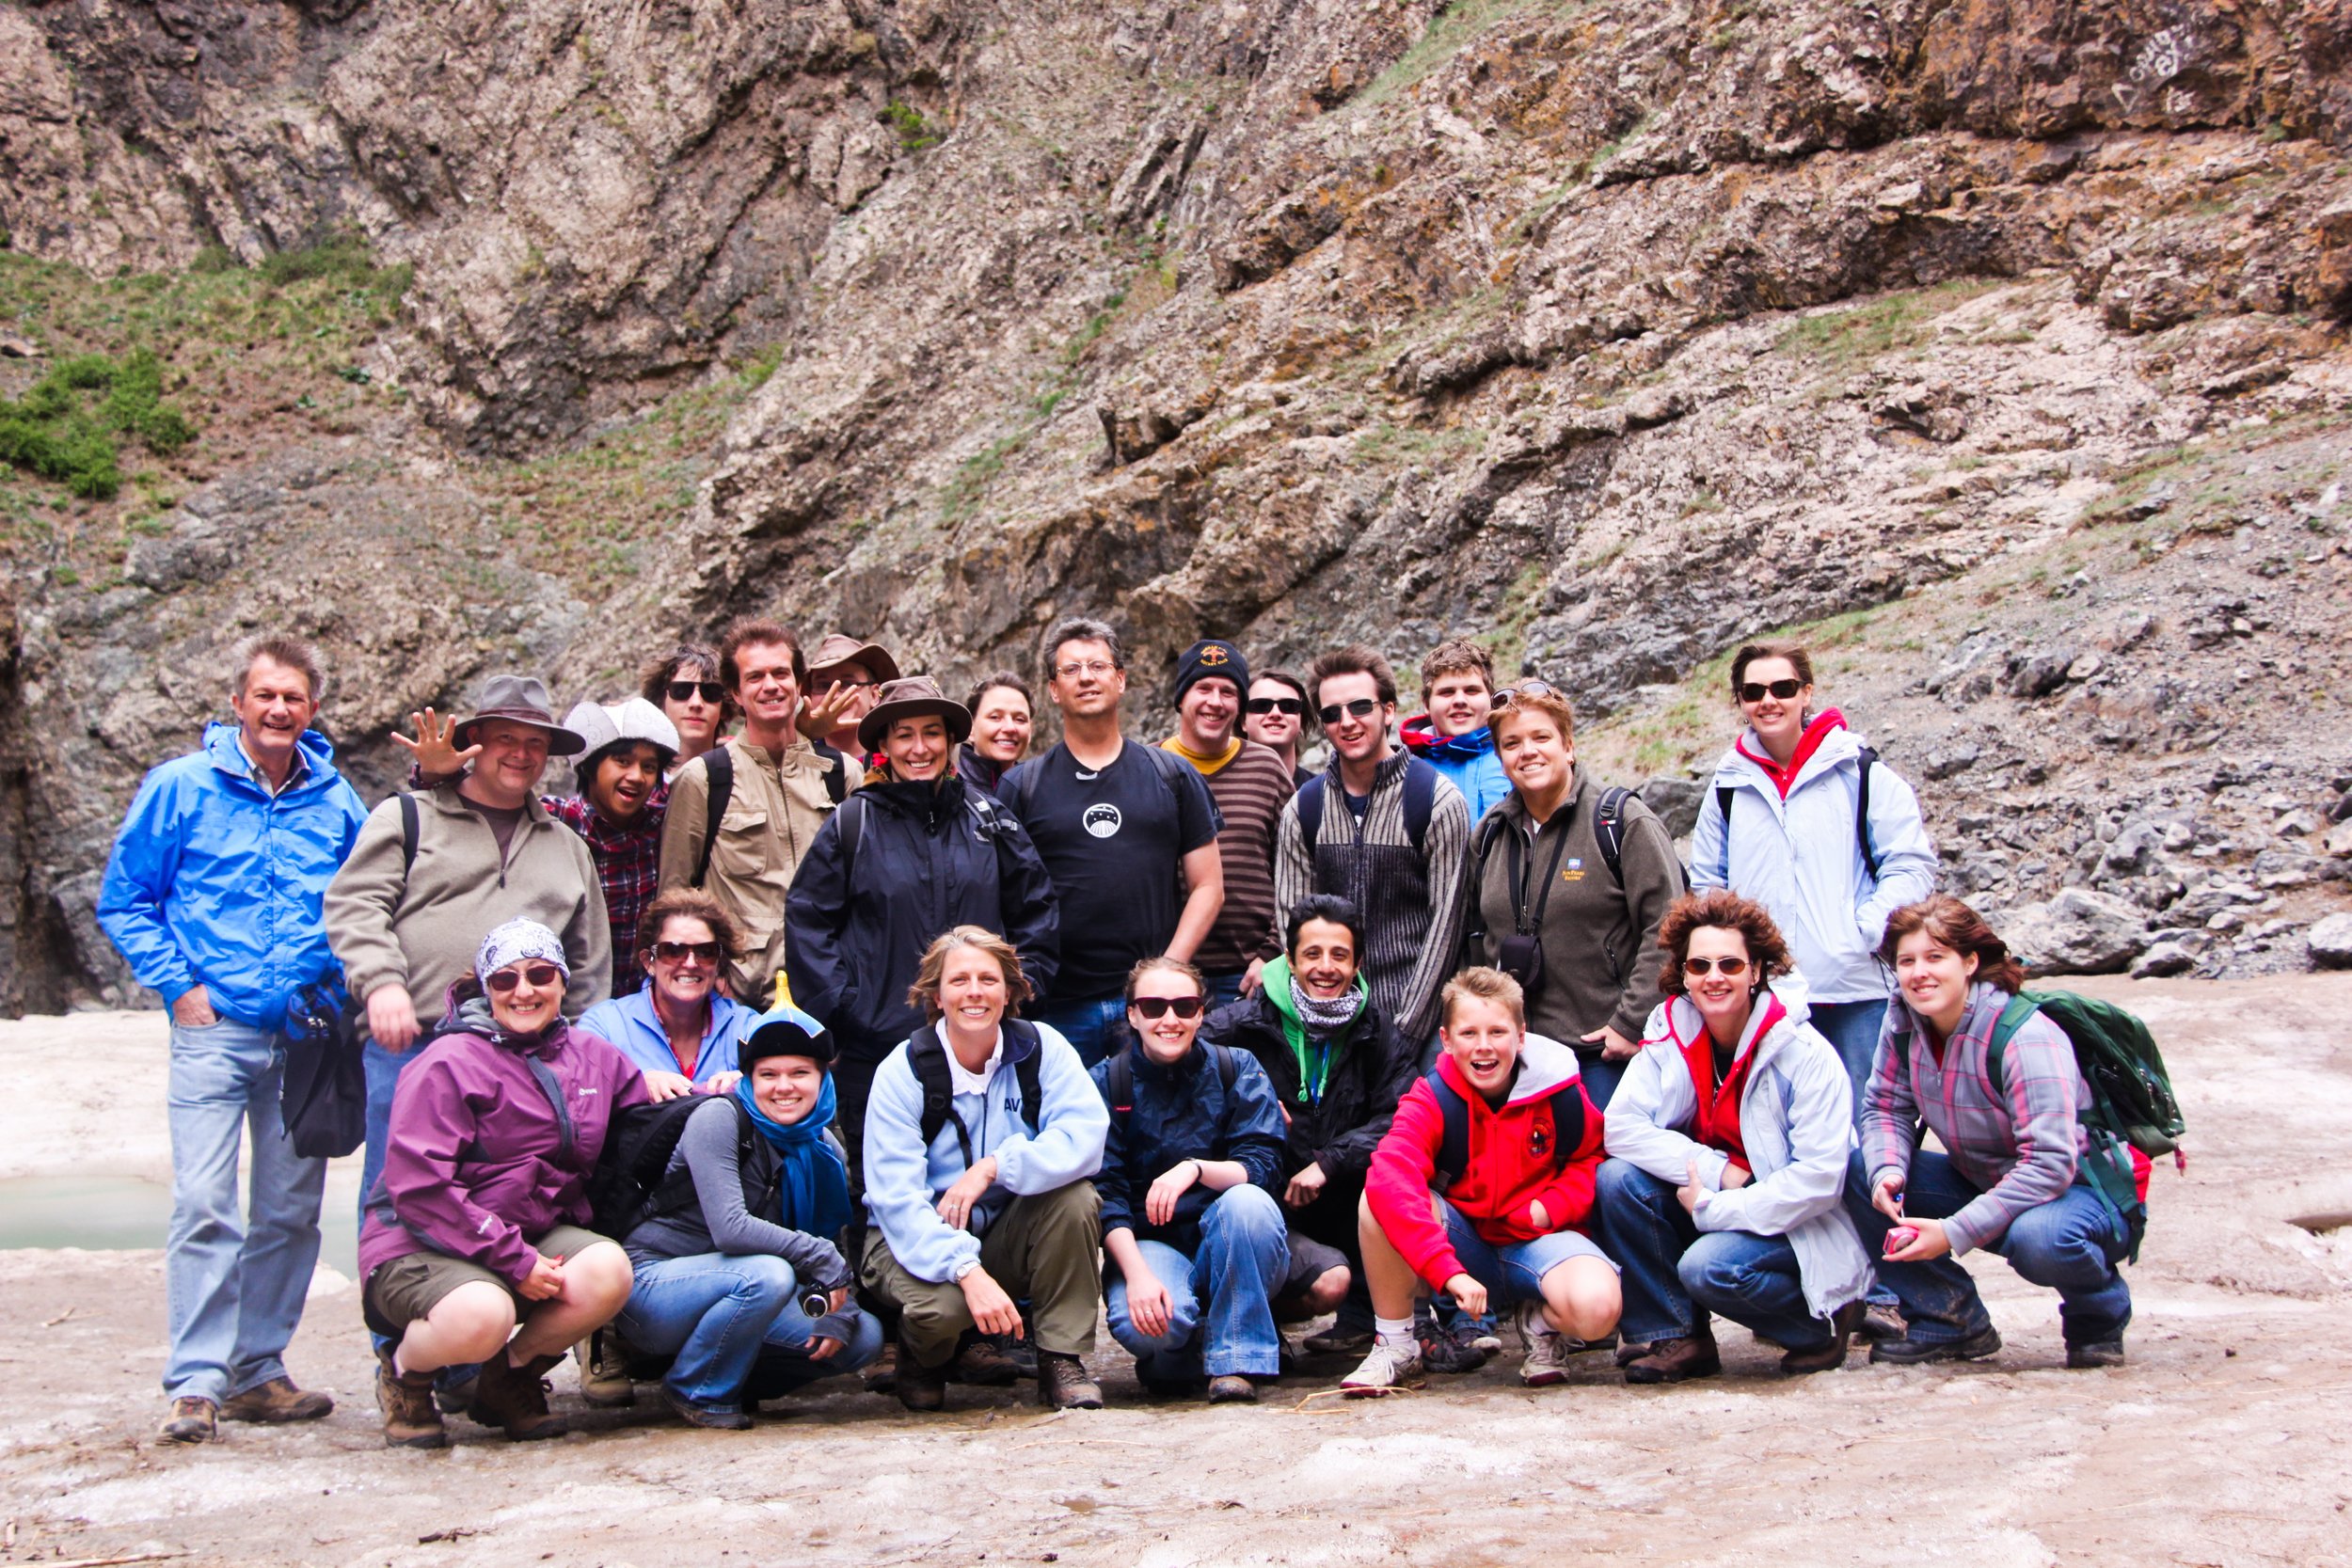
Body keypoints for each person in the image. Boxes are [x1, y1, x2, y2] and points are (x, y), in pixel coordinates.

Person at [96, 634, 370, 1444]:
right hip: (215, 1032)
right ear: (239, 704)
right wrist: (180, 988)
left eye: (294, 698)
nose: (279, 709)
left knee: (289, 1210)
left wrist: (341, 986)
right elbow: (126, 899)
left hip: (307, 1036)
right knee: (207, 1204)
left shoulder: (336, 798)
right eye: (266, 696)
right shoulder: (180, 787)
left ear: (313, 709)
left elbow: (366, 893)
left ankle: (258, 1369)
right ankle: (195, 1381)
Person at [326, 675, 612, 1234]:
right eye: (506, 738)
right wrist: (382, 982)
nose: (521, 753)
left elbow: (589, 963)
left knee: (514, 1206)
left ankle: (496, 1317)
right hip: (413, 1043)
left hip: (525, 1061)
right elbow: (354, 903)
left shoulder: (568, 847)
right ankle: (398, 1324)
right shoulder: (407, 817)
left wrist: (577, 1053)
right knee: (398, 1201)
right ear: (475, 742)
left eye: (535, 743)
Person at [361, 921, 648, 1448]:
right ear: (485, 989)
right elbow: (419, 1187)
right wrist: (514, 1260)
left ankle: (507, 1377)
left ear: (562, 982)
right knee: (483, 1315)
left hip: (530, 1232)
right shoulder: (446, 1062)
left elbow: (641, 1126)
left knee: (607, 1269)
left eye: (540, 975)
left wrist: (708, 1091)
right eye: (505, 980)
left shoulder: (593, 1056)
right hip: (420, 1242)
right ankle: (405, 1374)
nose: (524, 991)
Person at [1844, 896, 2137, 1370]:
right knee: (1856, 1171)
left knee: (2042, 1239)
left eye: (1935, 957)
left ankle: (2097, 1313)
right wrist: (1888, 1172)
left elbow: (2049, 1165)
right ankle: (1950, 1319)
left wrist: (1952, 1232)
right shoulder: (1903, 1022)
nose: (1919, 973)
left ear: (1971, 962)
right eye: (1907, 960)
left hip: (2082, 1195)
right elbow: (1885, 1107)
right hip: (1985, 1181)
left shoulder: (2025, 1036)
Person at [1597, 891, 1874, 1383]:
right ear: (1683, 973)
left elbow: (1820, 1180)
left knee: (1709, 1269)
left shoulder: (1803, 1052)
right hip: (1719, 1190)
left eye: (1729, 963)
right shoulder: (1670, 1032)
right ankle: (1680, 1336)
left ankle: (1821, 1324)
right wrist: (1719, 1173)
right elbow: (1620, 1127)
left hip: (1797, 1219)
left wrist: (1720, 1206)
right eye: (1699, 965)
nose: (1714, 978)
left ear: (1757, 971)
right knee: (1618, 1180)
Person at [786, 675, 1059, 1166]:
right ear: (884, 745)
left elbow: (1036, 910)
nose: (919, 747)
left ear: (950, 741)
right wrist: (849, 1009)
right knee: (880, 1190)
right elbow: (808, 921)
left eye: (932, 732)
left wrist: (1020, 991)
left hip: (985, 1047)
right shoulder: (854, 823)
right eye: (904, 734)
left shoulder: (989, 820)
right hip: (879, 1051)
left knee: (986, 1182)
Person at [859, 927, 1110, 1412]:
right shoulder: (902, 1071)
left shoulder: (1043, 1049)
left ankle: (1061, 1357)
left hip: (1004, 1228)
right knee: (944, 1308)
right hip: (908, 1238)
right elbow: (898, 1201)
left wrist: (997, 1166)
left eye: (988, 980)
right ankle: (923, 1353)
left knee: (1075, 1199)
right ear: (936, 995)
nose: (974, 992)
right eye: (959, 981)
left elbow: (1084, 1138)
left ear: (1010, 990)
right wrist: (966, 1271)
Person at [1343, 969, 1620, 1394]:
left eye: (1497, 1031)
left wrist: (1551, 1206)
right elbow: (1390, 1175)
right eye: (1469, 1033)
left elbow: (1591, 1155)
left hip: (1537, 1237)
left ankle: (1540, 1324)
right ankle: (1397, 1345)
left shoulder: (1559, 1091)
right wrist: (1447, 1272)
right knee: (1374, 1201)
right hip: (1464, 1241)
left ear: (1521, 1036)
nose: (1484, 1046)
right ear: (1447, 1040)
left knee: (1599, 1307)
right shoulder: (1431, 1097)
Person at [1688, 641, 1936, 1109]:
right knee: (1777, 1126)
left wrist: (1865, 929)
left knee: (1868, 1125)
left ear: (1806, 692)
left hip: (1854, 991)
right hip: (1767, 995)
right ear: (1740, 702)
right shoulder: (1728, 785)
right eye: (1753, 691)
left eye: (1782, 687)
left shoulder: (1859, 770)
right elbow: (1707, 881)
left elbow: (1908, 862)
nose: (1768, 700)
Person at [613, 1006, 884, 1428]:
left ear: (822, 1079)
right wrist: (821, 1259)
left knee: (862, 1336)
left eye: (800, 1073)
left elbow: (832, 1244)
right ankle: (697, 1388)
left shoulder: (825, 1148)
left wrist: (840, 1307)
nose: (784, 1087)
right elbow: (731, 1230)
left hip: (745, 1292)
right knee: (767, 1274)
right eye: (768, 1075)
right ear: (749, 1079)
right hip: (654, 1285)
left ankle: (732, 1377)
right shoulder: (719, 1117)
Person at [1200, 895, 1416, 1357]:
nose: (1326, 968)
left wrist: (1330, 1161)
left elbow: (1403, 1113)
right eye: (1312, 954)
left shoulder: (1377, 1030)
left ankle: (1366, 1315)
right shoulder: (1244, 1021)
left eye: (1340, 955)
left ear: (1358, 962)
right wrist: (1246, 1103)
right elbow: (1171, 1059)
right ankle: (1253, 1315)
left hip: (1339, 1193)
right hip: (1267, 1195)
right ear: (1290, 960)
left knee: (1392, 1177)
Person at [1001, 618, 1223, 1067]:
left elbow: (1208, 885)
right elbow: (1001, 897)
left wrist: (1165, 974)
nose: (1086, 677)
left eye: (1098, 665)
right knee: (1063, 1132)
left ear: (1120, 680)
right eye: (1071, 669)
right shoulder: (1020, 787)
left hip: (1150, 1008)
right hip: (1056, 1006)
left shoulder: (1172, 776)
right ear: (1052, 690)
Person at [1463, 681, 1681, 1111]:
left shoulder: (1621, 821)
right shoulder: (1489, 832)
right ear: (1501, 759)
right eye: (1512, 743)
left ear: (1568, 746)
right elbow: (1474, 936)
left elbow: (1670, 925)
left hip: (1600, 1051)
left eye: (1541, 738)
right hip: (1512, 1055)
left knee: (1601, 1175)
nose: (1527, 751)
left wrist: (1631, 1022)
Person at [1092, 958, 1291, 1402]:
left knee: (1248, 1202)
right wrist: (1138, 1275)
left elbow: (1262, 1165)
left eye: (1184, 1006)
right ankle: (1187, 1349)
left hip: (1231, 1236)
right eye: (1153, 1006)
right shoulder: (1108, 1083)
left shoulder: (1236, 1066)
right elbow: (1106, 1193)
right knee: (1148, 1328)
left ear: (1201, 1012)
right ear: (1132, 1014)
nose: (1169, 1019)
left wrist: (1195, 1168)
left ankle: (1237, 1361)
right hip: (1151, 1242)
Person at [402, 698, 681, 996]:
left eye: (648, 767)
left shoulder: (663, 823)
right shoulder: (554, 822)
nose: (636, 776)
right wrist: (432, 775)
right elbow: (490, 799)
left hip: (646, 998)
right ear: (591, 766)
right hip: (562, 1001)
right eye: (622, 762)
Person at [1274, 644, 1469, 1053]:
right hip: (1328, 1025)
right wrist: (1318, 1015)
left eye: (1360, 706)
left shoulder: (1436, 801)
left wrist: (1405, 1031)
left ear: (1389, 710)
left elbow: (1446, 927)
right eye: (1331, 714)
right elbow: (1291, 925)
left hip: (1420, 1024)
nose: (1347, 722)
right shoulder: (1304, 809)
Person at [659, 618, 856, 1003]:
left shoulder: (841, 773)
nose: (770, 686)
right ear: (735, 691)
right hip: (741, 993)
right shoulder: (704, 779)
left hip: (832, 984)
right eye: (755, 677)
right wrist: (705, 973)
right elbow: (675, 896)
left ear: (799, 684)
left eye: (781, 673)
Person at [1159, 639, 1296, 1006]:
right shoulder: (1149, 768)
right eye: (1203, 688)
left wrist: (1272, 953)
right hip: (1170, 974)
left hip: (1252, 975)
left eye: (1228, 692)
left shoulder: (1267, 768)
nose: (1215, 702)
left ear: (1240, 706)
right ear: (1181, 698)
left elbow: (1296, 871)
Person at [580, 889, 761, 1090]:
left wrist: (750, 1085)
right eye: (673, 951)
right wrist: (635, 1085)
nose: (691, 963)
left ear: (718, 964)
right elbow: (582, 1095)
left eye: (705, 952)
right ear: (648, 962)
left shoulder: (747, 1027)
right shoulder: (604, 1026)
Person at [1399, 639, 1511, 821]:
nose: (1460, 700)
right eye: (1447, 692)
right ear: (1426, 703)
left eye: (1472, 691)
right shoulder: (1405, 771)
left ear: (1491, 698)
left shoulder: (1516, 757)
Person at [798, 632, 899, 763]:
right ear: (809, 696)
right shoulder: (793, 761)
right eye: (823, 685)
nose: (835, 696)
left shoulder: (900, 762)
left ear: (874, 695)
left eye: (847, 684)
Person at [641, 642, 729, 776]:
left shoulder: (743, 772)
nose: (696, 703)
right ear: (661, 701)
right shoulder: (639, 780)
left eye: (710, 692)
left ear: (724, 706)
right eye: (681, 691)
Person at [959, 671, 1035, 798]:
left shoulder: (1040, 794)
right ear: (970, 728)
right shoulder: (949, 793)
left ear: (1030, 730)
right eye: (995, 717)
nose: (1010, 728)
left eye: (1020, 719)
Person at [1244, 670, 1315, 788]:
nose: (1275, 713)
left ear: (1301, 719)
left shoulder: (1323, 793)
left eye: (1288, 706)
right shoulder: (1216, 790)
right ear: (1242, 721)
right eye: (1261, 705)